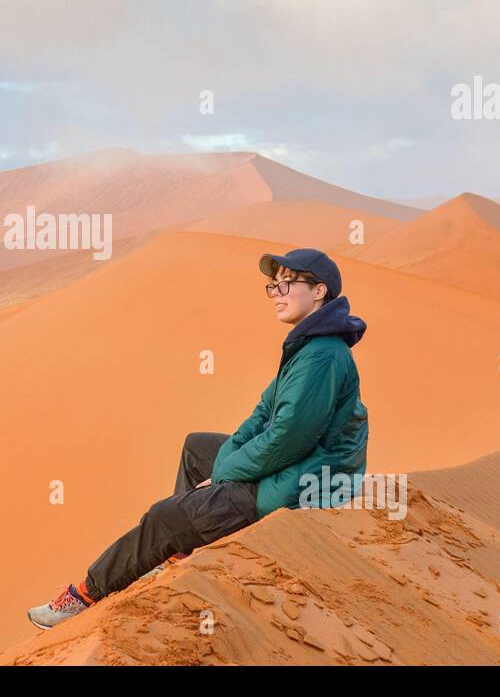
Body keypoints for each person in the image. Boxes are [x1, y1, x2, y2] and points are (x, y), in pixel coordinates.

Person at [26, 247, 369, 629]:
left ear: (319, 291)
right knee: (198, 447)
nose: (278, 293)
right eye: (273, 287)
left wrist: (224, 477)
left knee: (164, 515)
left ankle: (83, 595)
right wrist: (226, 462)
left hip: (304, 487)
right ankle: (181, 549)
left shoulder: (322, 355)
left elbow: (289, 440)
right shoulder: (307, 345)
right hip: (291, 468)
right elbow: (262, 414)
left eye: (287, 284)